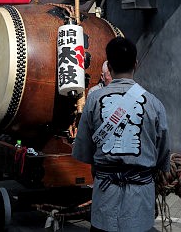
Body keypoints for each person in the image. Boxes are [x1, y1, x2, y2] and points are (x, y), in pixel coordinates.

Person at [72, 37, 170, 232]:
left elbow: (83, 152)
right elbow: (162, 156)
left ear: (109, 65)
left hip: (104, 200)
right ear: (135, 64)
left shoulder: (93, 101)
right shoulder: (154, 104)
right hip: (140, 203)